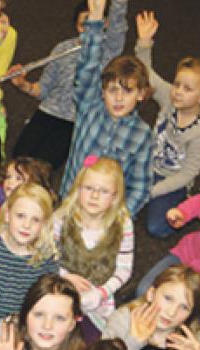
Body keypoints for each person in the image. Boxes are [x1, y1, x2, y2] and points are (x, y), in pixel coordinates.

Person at [59, 0, 152, 218]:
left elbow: (140, 187)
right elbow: (88, 66)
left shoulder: (142, 134)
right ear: (102, 92)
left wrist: (118, 218)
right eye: (112, 90)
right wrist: (96, 18)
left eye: (127, 92)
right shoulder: (89, 107)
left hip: (108, 217)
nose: (118, 98)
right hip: (71, 206)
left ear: (140, 94)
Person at [10, 0, 128, 170]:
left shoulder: (109, 50)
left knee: (43, 168)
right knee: (17, 161)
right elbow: (42, 90)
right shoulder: (63, 48)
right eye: (82, 24)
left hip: (75, 122)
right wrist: (22, 84)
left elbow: (118, 24)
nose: (88, 28)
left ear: (105, 23)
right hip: (46, 113)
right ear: (77, 27)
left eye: (93, 21)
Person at [134, 11, 200, 239]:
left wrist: (150, 192)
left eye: (187, 89)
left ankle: (192, 202)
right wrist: (144, 42)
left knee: (157, 228)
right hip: (147, 164)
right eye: (177, 84)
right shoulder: (170, 99)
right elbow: (147, 76)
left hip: (172, 178)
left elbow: (187, 173)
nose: (178, 92)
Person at [0, 182, 59, 337]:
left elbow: (46, 296)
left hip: (14, 335)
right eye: (20, 216)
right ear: (7, 214)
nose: (26, 225)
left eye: (35, 220)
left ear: (44, 224)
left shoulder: (46, 256)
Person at [52, 155, 133, 335]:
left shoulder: (123, 224)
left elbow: (124, 269)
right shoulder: (62, 217)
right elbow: (46, 256)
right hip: (61, 289)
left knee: (93, 345)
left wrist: (101, 293)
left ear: (114, 196)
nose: (95, 196)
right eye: (89, 188)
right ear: (78, 188)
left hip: (99, 300)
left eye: (104, 191)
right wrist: (64, 276)